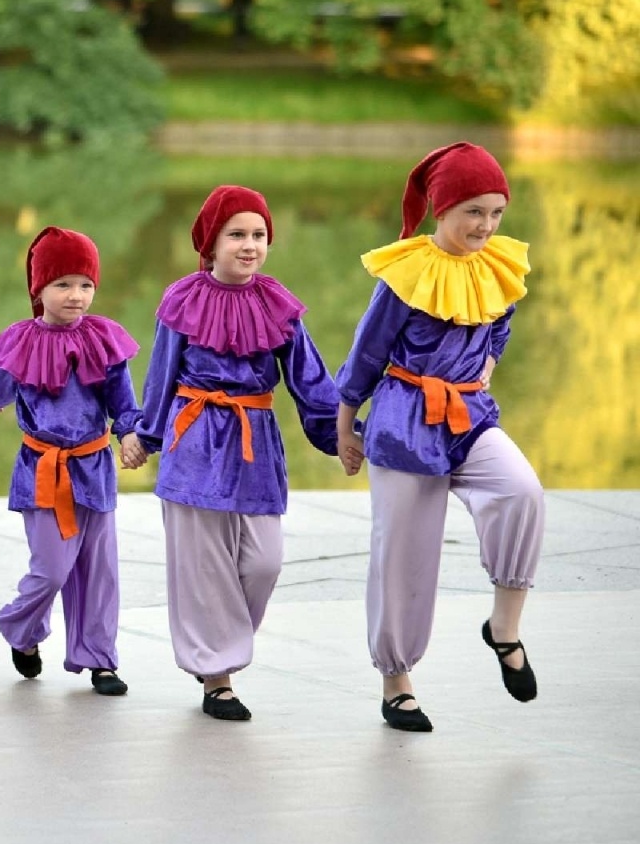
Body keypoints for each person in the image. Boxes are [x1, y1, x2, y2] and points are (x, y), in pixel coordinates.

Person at [335, 142, 541, 733]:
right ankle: (396, 681)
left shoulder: (498, 265)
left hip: (469, 415)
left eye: (496, 212)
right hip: (403, 420)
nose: (486, 224)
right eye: (473, 210)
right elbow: (365, 354)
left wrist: (487, 370)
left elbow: (499, 330)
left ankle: (504, 628)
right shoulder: (407, 274)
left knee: (521, 492)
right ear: (442, 210)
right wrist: (346, 428)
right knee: (402, 554)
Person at [137, 186, 346, 721]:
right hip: (195, 441)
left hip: (255, 445)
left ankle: (219, 644)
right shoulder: (181, 300)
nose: (249, 245)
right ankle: (218, 678)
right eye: (237, 235)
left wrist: (340, 434)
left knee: (264, 562)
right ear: (211, 244)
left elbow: (311, 381)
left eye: (258, 235)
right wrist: (147, 435)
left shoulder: (278, 304)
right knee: (205, 567)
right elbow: (161, 375)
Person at [0, 227, 145, 694]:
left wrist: (128, 435)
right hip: (42, 471)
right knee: (51, 569)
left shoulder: (105, 339)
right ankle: (22, 632)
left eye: (85, 285)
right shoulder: (21, 341)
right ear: (38, 289)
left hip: (94, 468)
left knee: (98, 569)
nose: (76, 296)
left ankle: (99, 659)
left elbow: (123, 403)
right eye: (62, 284)